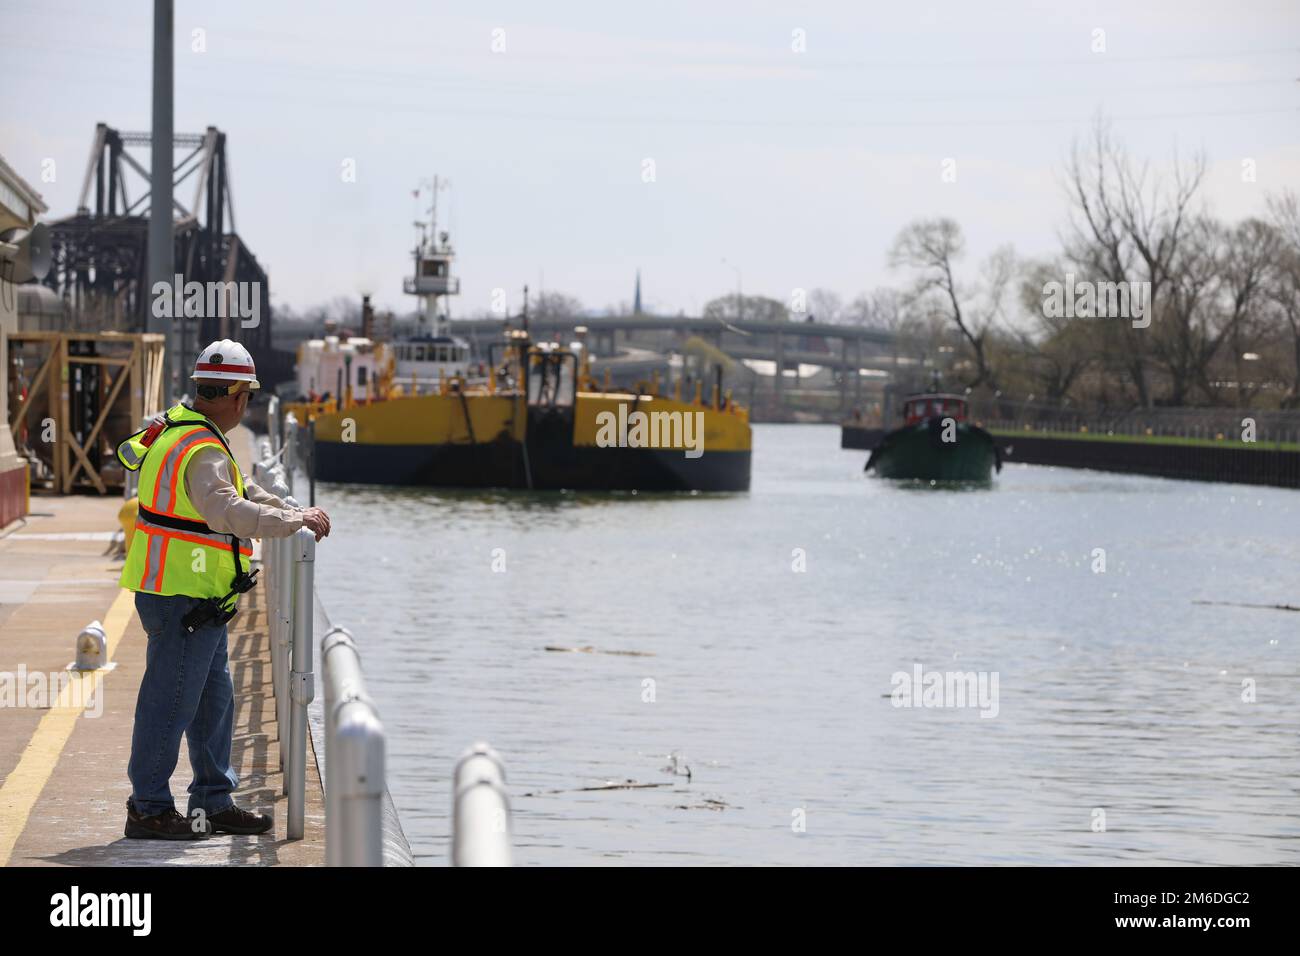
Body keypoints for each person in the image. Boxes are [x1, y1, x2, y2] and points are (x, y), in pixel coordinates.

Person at [115, 339, 331, 840]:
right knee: (169, 702)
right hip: (182, 594)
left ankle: (212, 799)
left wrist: (279, 506)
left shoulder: (178, 428)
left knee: (215, 699)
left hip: (193, 595)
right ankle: (147, 808)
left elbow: (234, 489)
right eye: (246, 396)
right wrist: (293, 519)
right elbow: (227, 511)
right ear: (237, 397)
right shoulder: (204, 447)